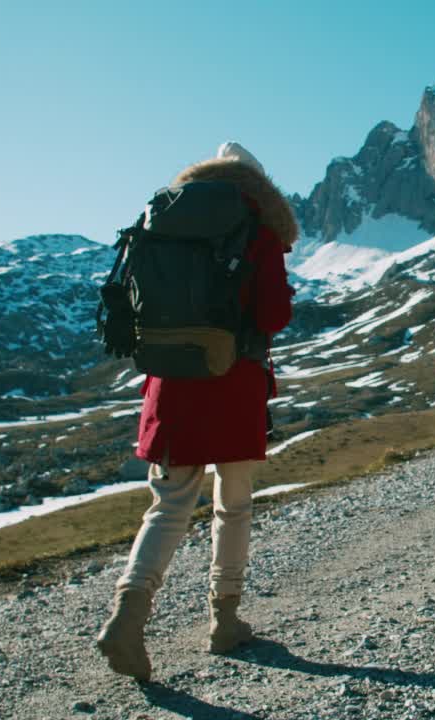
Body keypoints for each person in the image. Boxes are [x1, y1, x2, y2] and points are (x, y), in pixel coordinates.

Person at [96, 142, 297, 681]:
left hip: (171, 384)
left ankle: (127, 616)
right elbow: (273, 313)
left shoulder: (165, 215)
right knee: (233, 505)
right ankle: (223, 620)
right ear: (256, 181)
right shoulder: (257, 223)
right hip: (231, 382)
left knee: (167, 506)